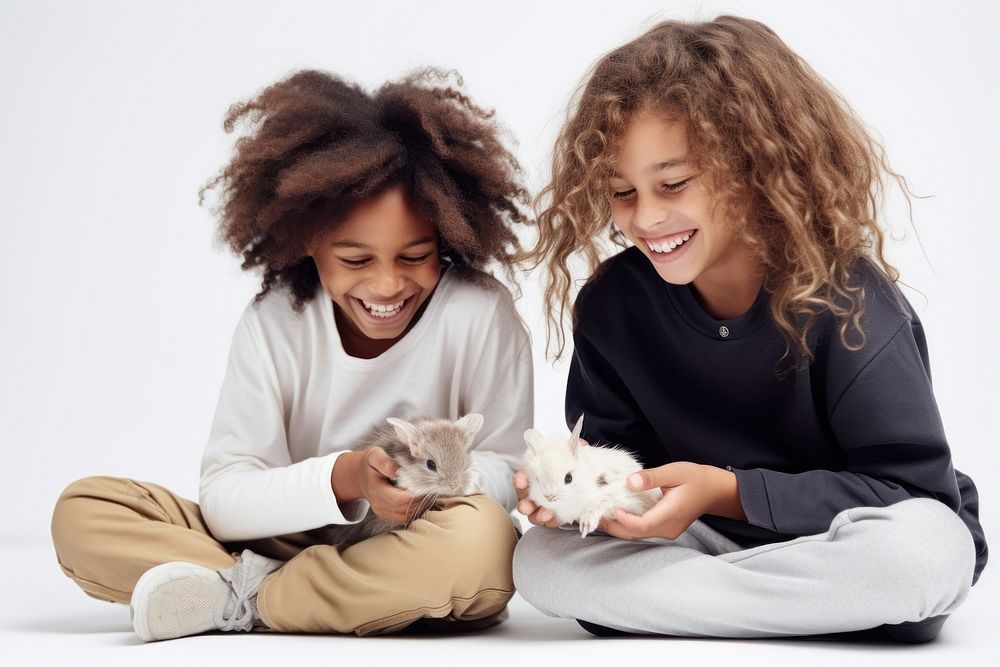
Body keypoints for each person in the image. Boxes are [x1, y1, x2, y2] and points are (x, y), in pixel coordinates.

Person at [512, 15, 986, 643]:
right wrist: (581, 501)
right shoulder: (613, 306)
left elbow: (912, 495)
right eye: (621, 192)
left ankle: (695, 608)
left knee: (928, 553)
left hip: (843, 535)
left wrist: (728, 492)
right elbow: (628, 475)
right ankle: (816, 611)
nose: (646, 218)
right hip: (696, 542)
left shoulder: (850, 300)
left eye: (673, 183)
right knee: (542, 563)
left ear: (754, 165)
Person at [51, 68, 533, 641]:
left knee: (486, 543)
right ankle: (286, 593)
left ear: (448, 237)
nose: (386, 286)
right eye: (355, 260)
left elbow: (507, 469)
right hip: (284, 531)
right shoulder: (276, 322)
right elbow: (227, 498)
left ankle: (234, 595)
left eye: (415, 256)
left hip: (412, 534)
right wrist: (346, 478)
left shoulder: (479, 313)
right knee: (85, 510)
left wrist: (431, 485)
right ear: (309, 241)